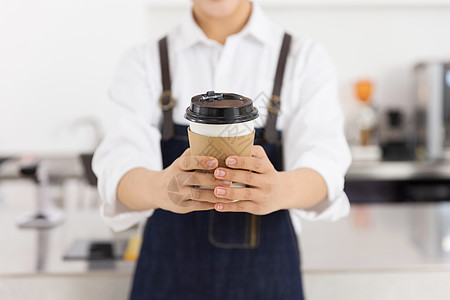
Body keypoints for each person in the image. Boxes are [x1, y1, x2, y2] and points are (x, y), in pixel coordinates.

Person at [92, 0, 351, 299]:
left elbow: (326, 165)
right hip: (168, 278)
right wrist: (161, 188)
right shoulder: (144, 61)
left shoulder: (303, 58)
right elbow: (118, 165)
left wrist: (280, 188)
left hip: (267, 281)